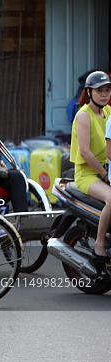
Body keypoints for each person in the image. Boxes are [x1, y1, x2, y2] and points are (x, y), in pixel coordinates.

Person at [71, 71, 111, 260]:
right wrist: (104, 174)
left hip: (107, 169)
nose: (104, 94)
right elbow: (85, 152)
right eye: (99, 91)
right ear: (88, 92)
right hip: (88, 174)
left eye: (107, 90)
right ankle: (99, 243)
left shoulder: (108, 111)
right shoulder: (83, 116)